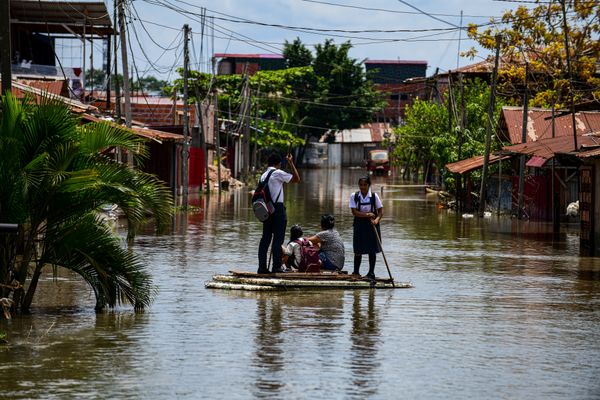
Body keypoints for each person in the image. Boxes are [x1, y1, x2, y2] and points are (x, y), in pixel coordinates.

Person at [257, 153, 300, 274]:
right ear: (278, 164)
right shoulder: (277, 173)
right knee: (278, 240)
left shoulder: (263, 175)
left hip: (266, 210)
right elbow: (297, 179)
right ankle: (276, 267)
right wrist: (291, 163)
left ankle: (262, 268)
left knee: (265, 239)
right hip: (277, 209)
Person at [349, 176, 383, 279]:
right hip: (359, 224)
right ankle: (356, 272)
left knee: (371, 249)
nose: (363, 187)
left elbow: (380, 211)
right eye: (361, 185)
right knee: (358, 249)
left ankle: (371, 273)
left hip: (372, 225)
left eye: (365, 185)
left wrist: (376, 220)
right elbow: (354, 212)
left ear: (369, 185)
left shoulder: (374, 196)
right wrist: (367, 215)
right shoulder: (354, 196)